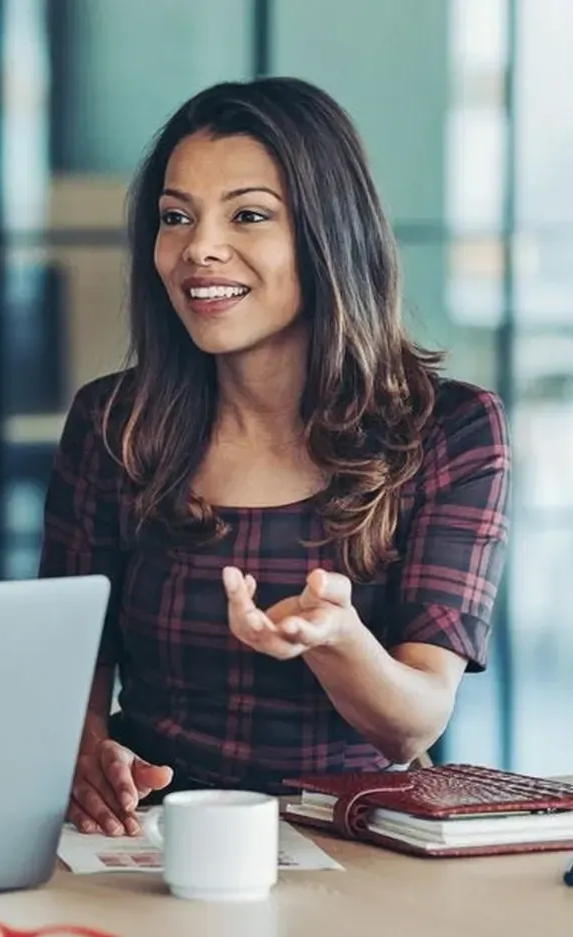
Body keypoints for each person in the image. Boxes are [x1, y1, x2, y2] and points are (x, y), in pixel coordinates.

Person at [40, 77, 511, 837]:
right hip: (148, 836)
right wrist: (88, 757)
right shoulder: (113, 423)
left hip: (356, 839)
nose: (200, 249)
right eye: (175, 217)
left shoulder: (448, 430)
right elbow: (71, 665)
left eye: (249, 215)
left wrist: (337, 642)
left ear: (331, 233)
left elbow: (414, 726)